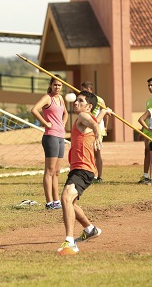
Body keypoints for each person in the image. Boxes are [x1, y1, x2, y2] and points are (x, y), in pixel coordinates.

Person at [57, 90, 113, 253]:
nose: (76, 103)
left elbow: (94, 124)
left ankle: (69, 241)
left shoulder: (82, 117)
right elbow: (95, 122)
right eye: (76, 100)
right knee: (70, 203)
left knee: (66, 197)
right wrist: (104, 111)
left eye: (80, 101)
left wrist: (98, 136)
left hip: (83, 169)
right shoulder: (86, 119)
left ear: (88, 106)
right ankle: (90, 229)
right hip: (78, 168)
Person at [31, 75, 68, 210]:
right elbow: (34, 110)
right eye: (55, 85)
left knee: (57, 172)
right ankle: (49, 202)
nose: (57, 87)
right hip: (50, 136)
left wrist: (63, 123)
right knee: (49, 170)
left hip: (60, 136)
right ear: (51, 85)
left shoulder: (60, 98)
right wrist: (46, 123)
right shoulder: (48, 98)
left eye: (59, 85)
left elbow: (65, 113)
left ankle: (56, 200)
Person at [81, 81, 108, 183]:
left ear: (89, 90)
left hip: (98, 129)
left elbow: (105, 114)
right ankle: (90, 175)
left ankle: (99, 176)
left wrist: (105, 127)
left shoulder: (99, 100)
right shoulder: (83, 100)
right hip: (87, 129)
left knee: (97, 153)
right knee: (88, 153)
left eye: (85, 90)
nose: (83, 92)